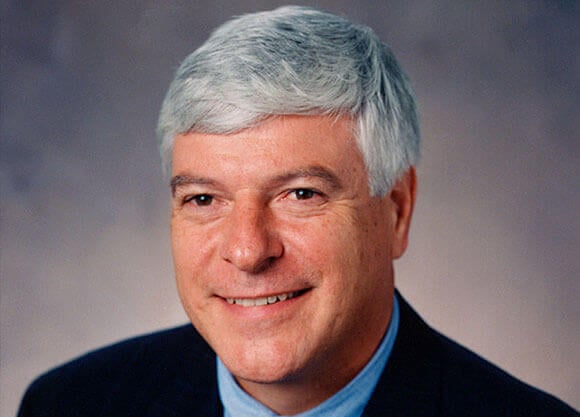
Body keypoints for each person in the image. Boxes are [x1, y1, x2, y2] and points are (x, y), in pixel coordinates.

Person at [17, 6, 577, 417]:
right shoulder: (70, 404)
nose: (247, 250)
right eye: (204, 199)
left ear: (397, 212)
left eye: (301, 194)